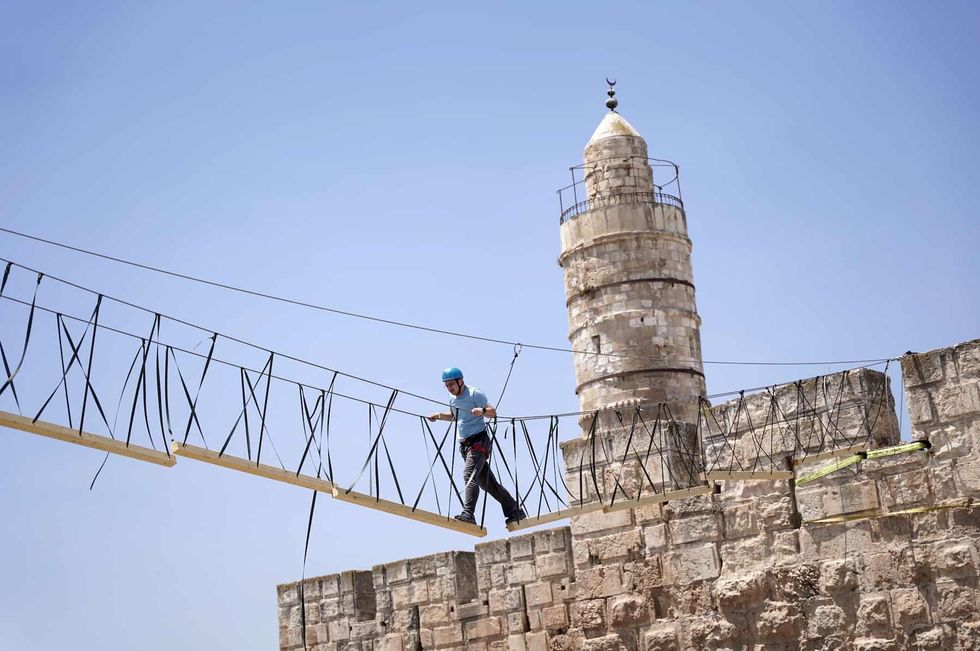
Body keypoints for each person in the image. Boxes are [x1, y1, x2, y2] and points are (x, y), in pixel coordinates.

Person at [428, 367, 525, 525]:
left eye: (452, 384)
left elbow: (493, 412)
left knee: (469, 474)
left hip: (478, 442)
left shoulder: (474, 393)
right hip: (465, 446)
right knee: (488, 484)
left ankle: (468, 514)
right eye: (446, 385)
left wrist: (482, 411)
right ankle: (514, 509)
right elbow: (454, 416)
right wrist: (438, 416)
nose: (450, 388)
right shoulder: (452, 398)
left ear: (461, 381)